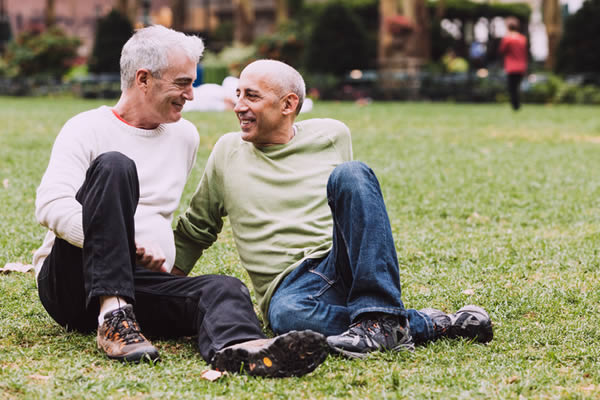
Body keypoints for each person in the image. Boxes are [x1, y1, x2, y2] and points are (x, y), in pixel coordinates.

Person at [33, 27, 328, 377]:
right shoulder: (87, 127)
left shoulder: (184, 135)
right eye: (183, 83)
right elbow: (50, 204)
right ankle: (113, 315)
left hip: (140, 282)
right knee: (115, 165)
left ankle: (245, 352)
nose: (191, 95)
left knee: (223, 287)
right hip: (73, 283)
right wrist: (120, 244)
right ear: (144, 79)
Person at [173, 59, 494, 359]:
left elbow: (352, 206)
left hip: (340, 263)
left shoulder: (331, 134)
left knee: (352, 173)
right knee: (287, 318)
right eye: (238, 94)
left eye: (252, 97)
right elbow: (197, 228)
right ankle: (406, 324)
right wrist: (153, 291)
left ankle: (379, 315)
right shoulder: (227, 151)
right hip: (289, 288)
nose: (239, 106)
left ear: (288, 104)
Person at [499, 17, 528, 111]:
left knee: (512, 87)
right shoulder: (522, 38)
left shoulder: (507, 39)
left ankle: (515, 106)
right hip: (521, 66)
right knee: (517, 86)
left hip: (511, 66)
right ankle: (518, 104)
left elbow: (502, 50)